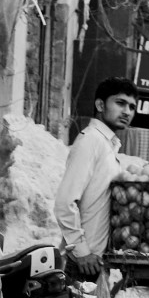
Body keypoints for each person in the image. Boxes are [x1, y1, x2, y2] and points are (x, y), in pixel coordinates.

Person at [55, 77, 138, 278]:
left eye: (132, 107)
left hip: (95, 263)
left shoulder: (107, 145)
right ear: (100, 105)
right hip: (82, 263)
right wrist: (82, 253)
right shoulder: (90, 140)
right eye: (120, 103)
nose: (127, 111)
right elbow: (64, 203)